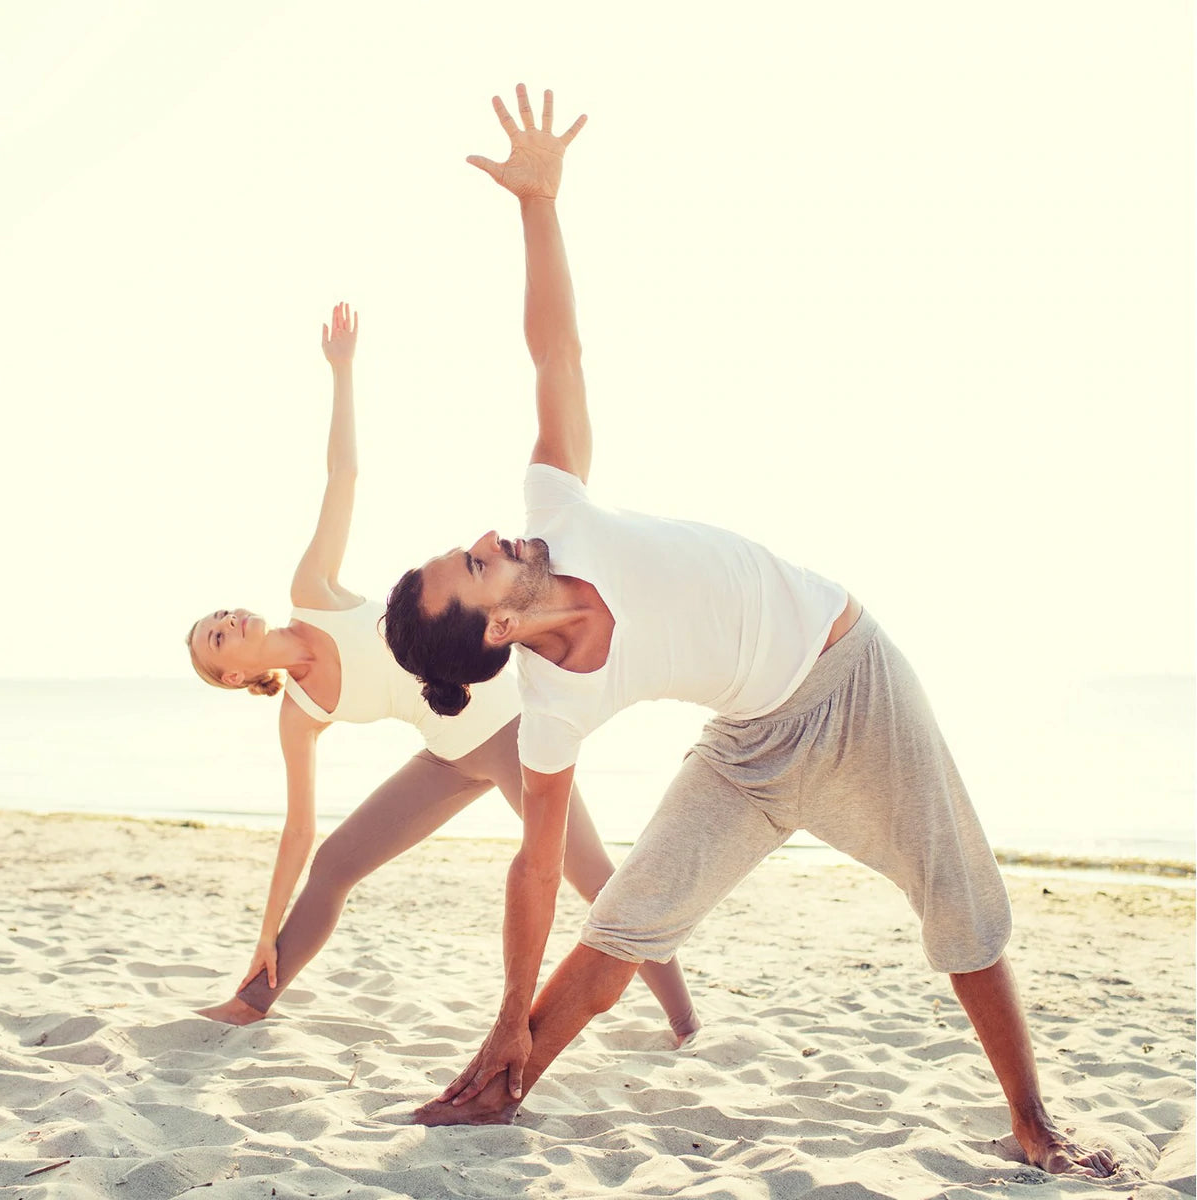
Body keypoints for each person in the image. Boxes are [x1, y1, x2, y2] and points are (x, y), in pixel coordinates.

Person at [381, 85, 1116, 1180]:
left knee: (958, 893)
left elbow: (558, 356)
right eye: (476, 564)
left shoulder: (558, 511)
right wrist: (506, 1018)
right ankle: (501, 1085)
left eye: (474, 543)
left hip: (850, 676)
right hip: (750, 748)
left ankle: (1033, 1120)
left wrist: (538, 206)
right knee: (626, 919)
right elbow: (535, 872)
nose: (493, 537)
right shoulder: (551, 707)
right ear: (490, 635)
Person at [185, 301, 697, 1039]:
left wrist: (343, 372)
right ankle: (251, 999)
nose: (229, 621)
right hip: (448, 754)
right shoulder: (298, 713)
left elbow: (344, 472)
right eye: (216, 638)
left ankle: (684, 1022)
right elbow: (296, 834)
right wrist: (264, 930)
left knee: (594, 880)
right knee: (333, 864)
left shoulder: (313, 595)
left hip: (509, 731)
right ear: (232, 677)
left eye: (222, 616)